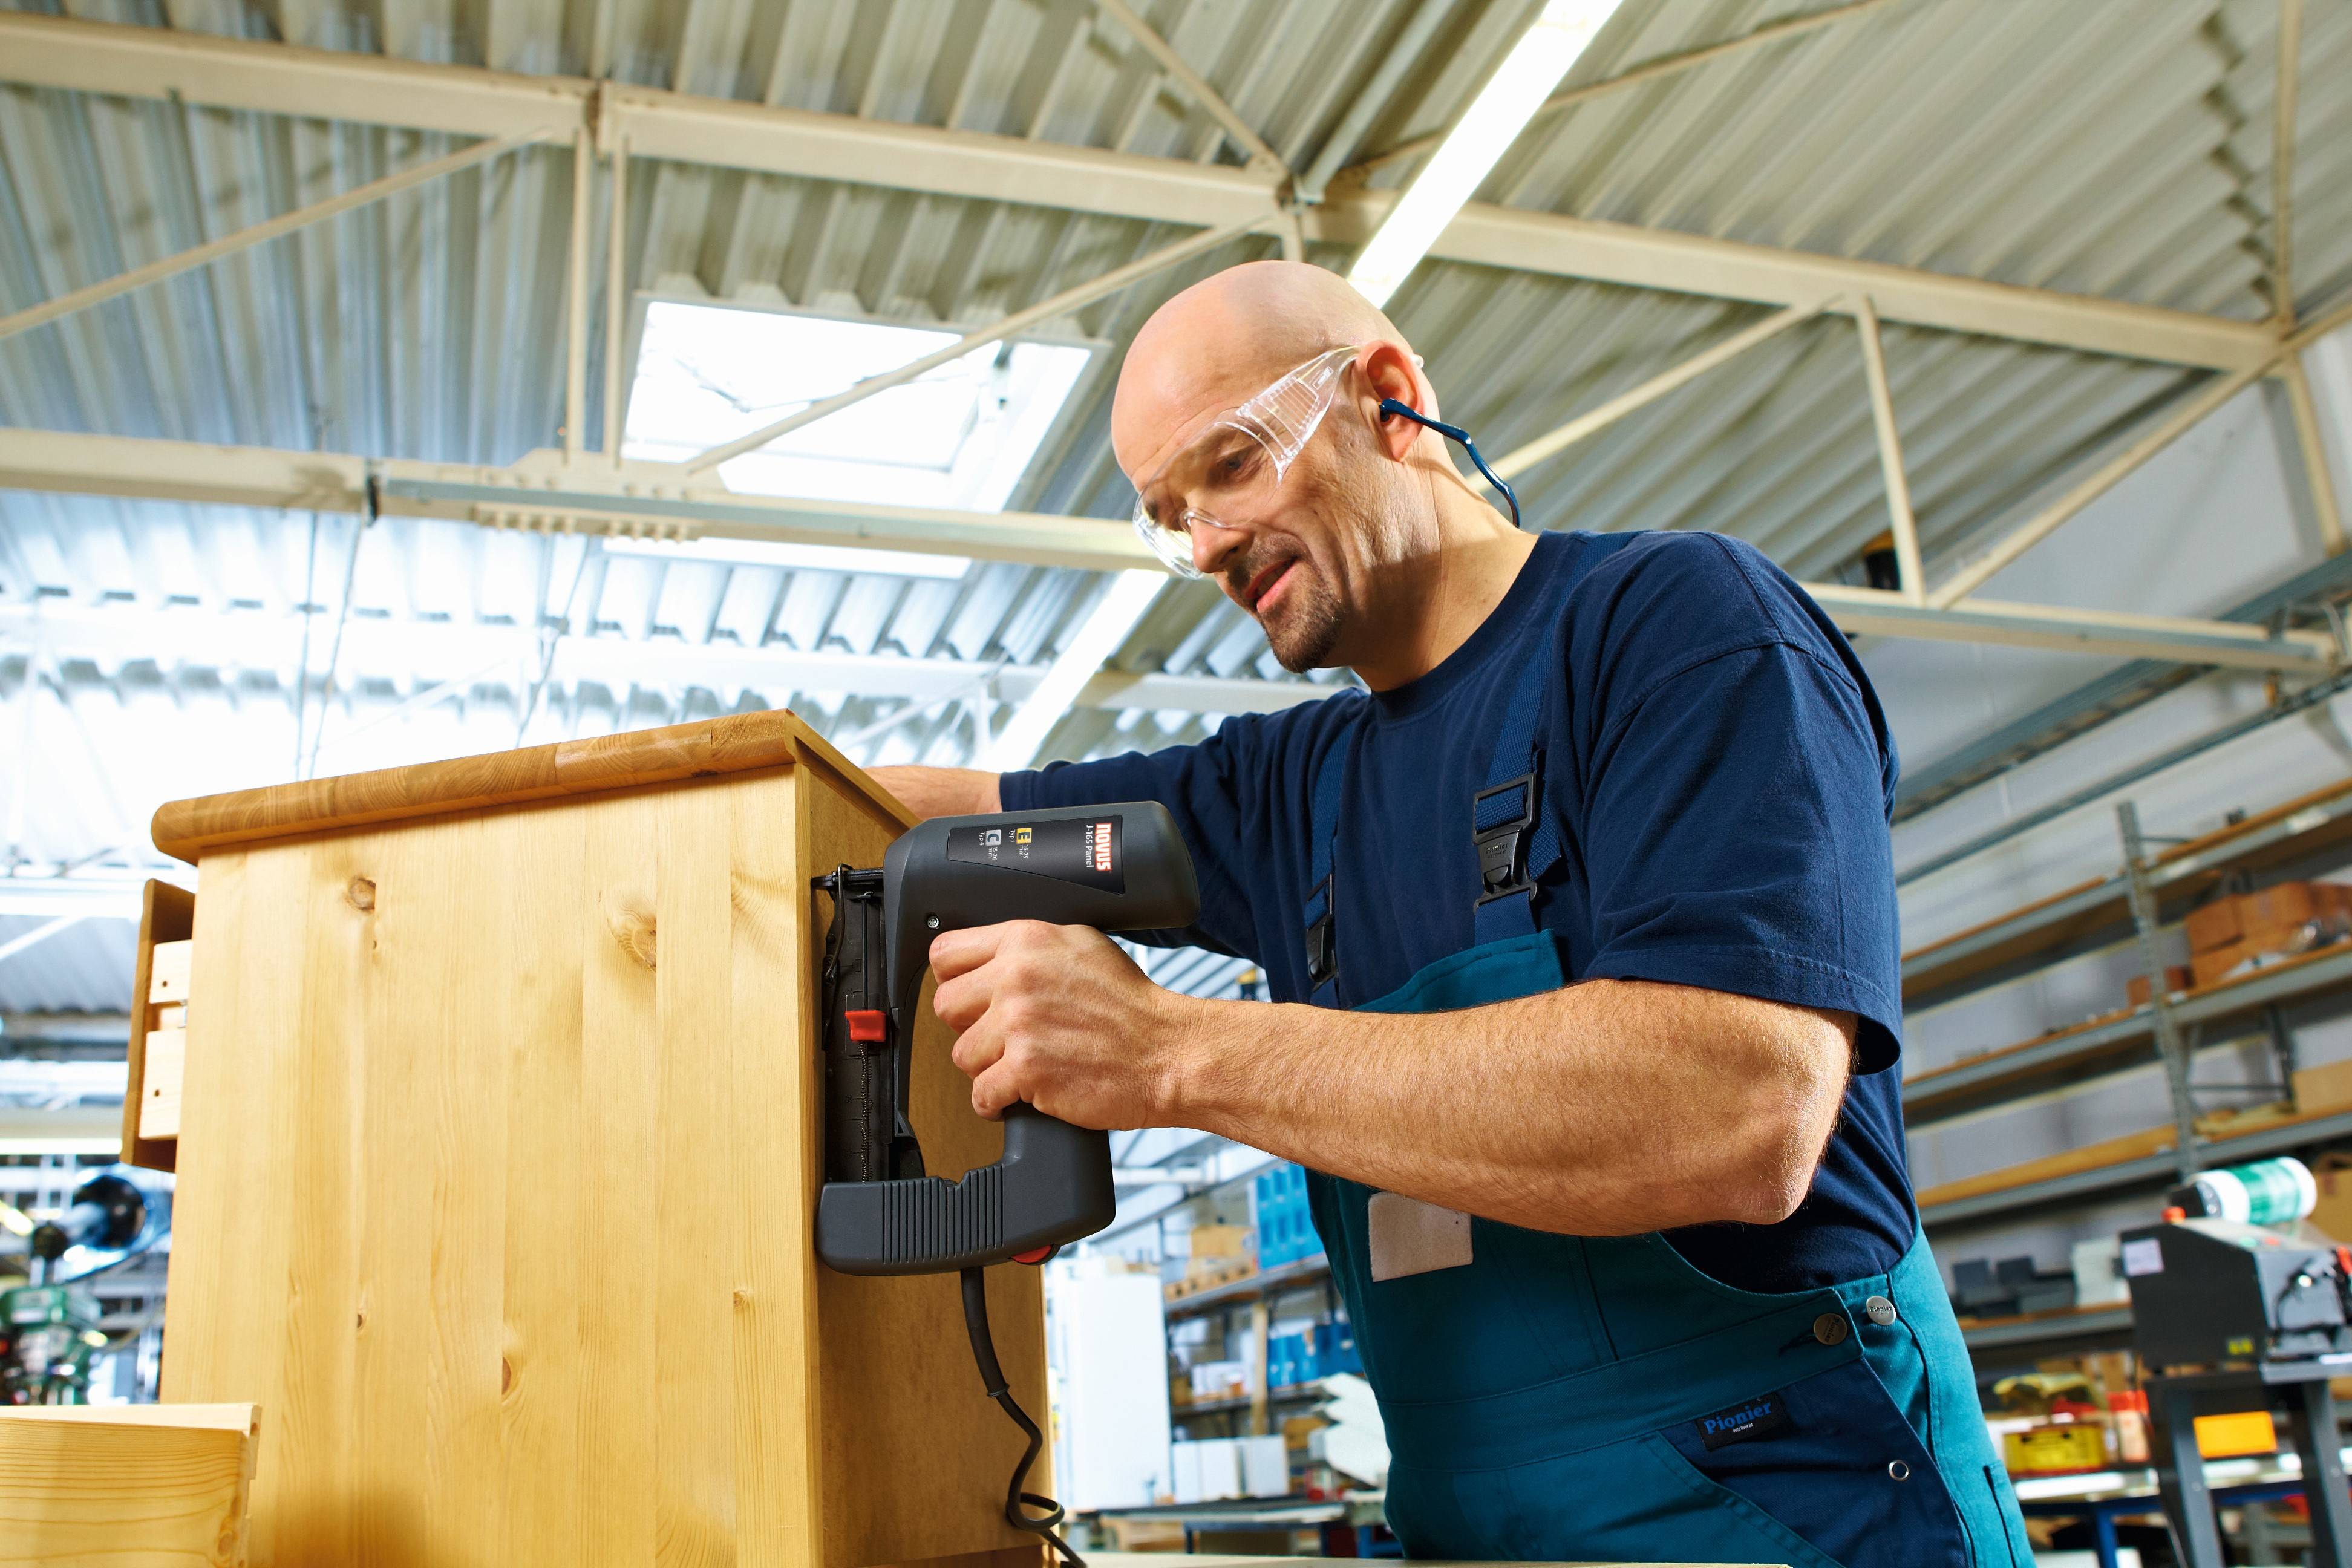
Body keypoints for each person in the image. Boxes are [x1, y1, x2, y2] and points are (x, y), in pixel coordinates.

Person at [875, 260, 2028, 1567]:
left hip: (1786, 1511)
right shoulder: (1286, 792)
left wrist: (1165, 1054)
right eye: (1168, 514)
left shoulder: (1677, 628)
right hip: (1471, 1524)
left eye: (1232, 467)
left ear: (1391, 399)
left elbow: (1739, 1106)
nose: (1203, 545)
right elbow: (937, 808)